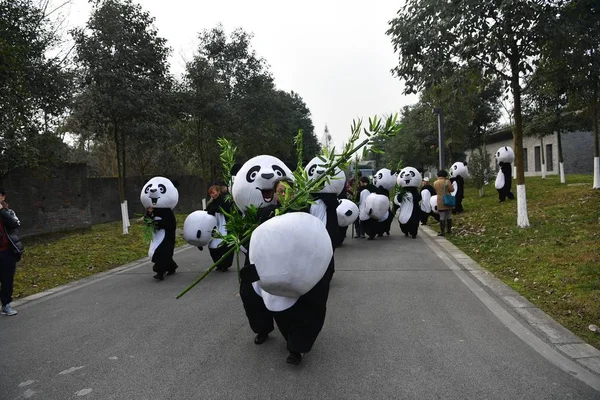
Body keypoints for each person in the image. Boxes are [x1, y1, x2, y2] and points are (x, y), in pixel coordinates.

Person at [240, 177, 331, 365]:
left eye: (289, 190)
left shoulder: (305, 212)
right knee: (251, 295)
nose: (285, 194)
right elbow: (256, 240)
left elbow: (317, 239)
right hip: (269, 266)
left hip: (297, 268)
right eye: (280, 191)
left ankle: (297, 347)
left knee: (300, 307)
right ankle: (262, 328)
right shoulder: (265, 213)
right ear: (274, 195)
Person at [0, 187, 24, 316]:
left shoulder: (8, 212)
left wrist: (2, 211)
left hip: (6, 252)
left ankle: (6, 304)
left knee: (7, 280)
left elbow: (15, 224)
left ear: (3, 197)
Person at [206, 185, 234, 272]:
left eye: (213, 193)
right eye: (210, 194)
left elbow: (226, 209)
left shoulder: (225, 200)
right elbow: (208, 211)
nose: (212, 195)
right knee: (212, 245)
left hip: (224, 225)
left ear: (218, 192)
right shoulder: (211, 203)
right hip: (215, 226)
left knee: (224, 245)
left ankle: (225, 264)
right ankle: (218, 263)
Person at [433, 170, 455, 236]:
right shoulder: (447, 181)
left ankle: (442, 231)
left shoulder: (435, 183)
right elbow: (452, 190)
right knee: (449, 215)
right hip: (448, 200)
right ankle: (449, 230)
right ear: (445, 175)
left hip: (440, 201)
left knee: (442, 216)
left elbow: (435, 190)